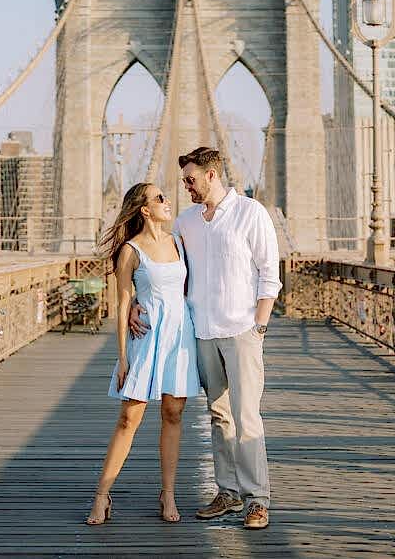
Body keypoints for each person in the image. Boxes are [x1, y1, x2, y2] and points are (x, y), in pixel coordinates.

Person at [131, 147, 281, 530]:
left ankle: (257, 501)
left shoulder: (251, 213)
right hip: (202, 332)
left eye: (191, 179)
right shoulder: (186, 222)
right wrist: (133, 300)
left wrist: (259, 327)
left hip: (242, 331)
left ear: (212, 175)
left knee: (247, 417)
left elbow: (269, 275)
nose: (186, 186)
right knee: (220, 416)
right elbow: (153, 258)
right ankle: (228, 492)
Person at [85, 182, 201, 526]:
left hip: (180, 338)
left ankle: (168, 493)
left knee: (173, 414)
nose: (168, 201)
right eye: (160, 198)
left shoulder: (180, 241)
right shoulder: (131, 251)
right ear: (144, 209)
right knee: (129, 418)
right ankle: (102, 495)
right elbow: (122, 305)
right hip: (147, 340)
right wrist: (123, 358)